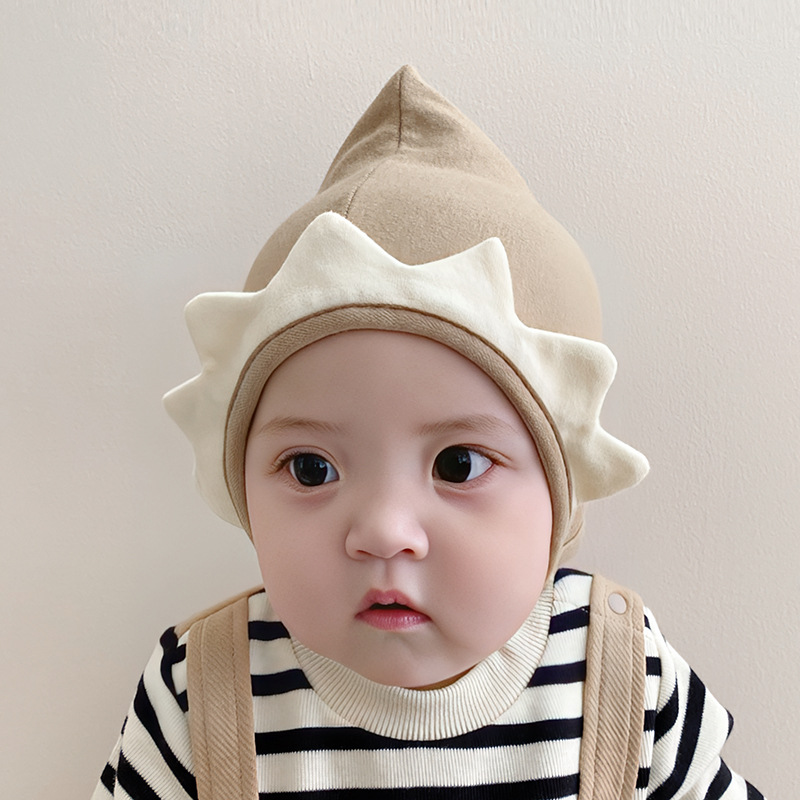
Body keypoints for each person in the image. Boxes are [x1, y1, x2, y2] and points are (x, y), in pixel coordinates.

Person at [92, 66, 764, 799]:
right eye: (311, 468)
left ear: (562, 491)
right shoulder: (200, 694)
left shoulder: (628, 681)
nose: (384, 533)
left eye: (458, 463)